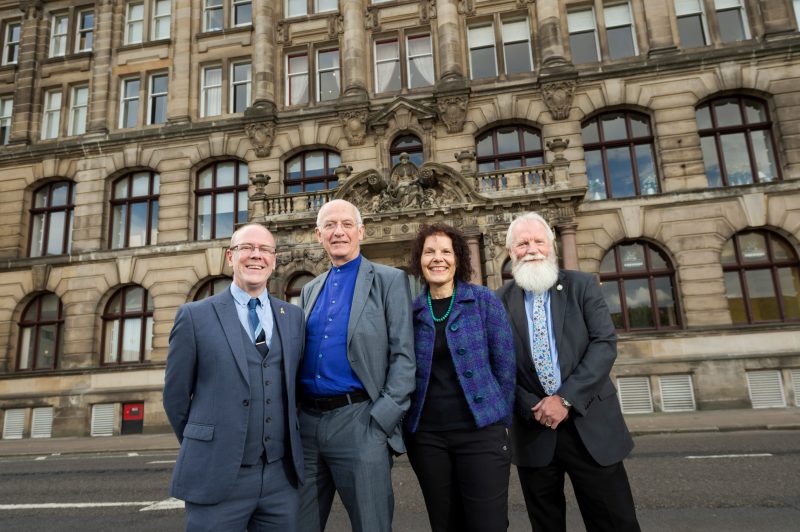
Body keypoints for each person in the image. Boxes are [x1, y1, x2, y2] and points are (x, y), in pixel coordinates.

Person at [496, 212, 641, 532]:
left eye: (538, 241)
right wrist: (530, 404)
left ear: (552, 246)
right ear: (510, 252)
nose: (531, 248)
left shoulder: (583, 285)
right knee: (546, 524)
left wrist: (563, 400)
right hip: (533, 426)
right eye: (522, 243)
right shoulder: (498, 301)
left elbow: (604, 344)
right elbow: (500, 364)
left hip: (589, 422)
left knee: (613, 521)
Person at [163, 223, 305, 531]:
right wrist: (206, 444)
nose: (256, 256)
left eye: (264, 249)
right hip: (217, 475)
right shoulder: (194, 316)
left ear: (274, 260)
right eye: (246, 248)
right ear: (231, 257)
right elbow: (175, 397)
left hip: (281, 478)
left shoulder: (293, 317)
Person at [297, 199, 415, 532]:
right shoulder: (309, 290)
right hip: (307, 426)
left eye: (347, 224)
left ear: (361, 231)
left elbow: (404, 356)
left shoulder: (390, 281)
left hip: (360, 420)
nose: (339, 232)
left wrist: (382, 419)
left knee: (371, 525)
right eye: (330, 226)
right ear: (318, 235)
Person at [404, 223, 516, 532]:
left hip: (480, 433)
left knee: (488, 524)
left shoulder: (482, 300)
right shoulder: (411, 311)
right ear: (419, 260)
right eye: (429, 252)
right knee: (445, 524)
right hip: (427, 439)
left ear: (458, 259)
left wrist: (499, 422)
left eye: (445, 251)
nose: (437, 259)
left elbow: (505, 365)